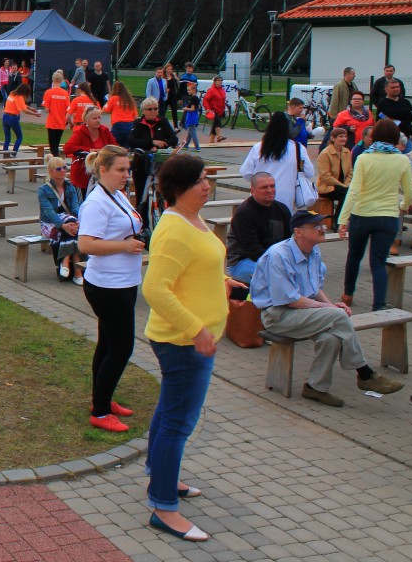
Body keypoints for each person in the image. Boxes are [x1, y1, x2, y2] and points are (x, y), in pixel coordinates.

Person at [141, 153, 241, 543]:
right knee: (179, 423)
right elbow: (154, 288)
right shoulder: (173, 228)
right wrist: (196, 329)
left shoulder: (191, 219)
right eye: (200, 180)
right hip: (183, 342)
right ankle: (164, 507)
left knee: (169, 411)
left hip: (192, 338)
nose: (207, 185)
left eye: (207, 179)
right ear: (180, 187)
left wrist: (224, 284)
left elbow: (201, 267)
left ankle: (160, 472)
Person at [251, 210, 404, 407]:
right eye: (316, 226)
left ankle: (316, 388)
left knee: (331, 337)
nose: (323, 229)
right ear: (298, 231)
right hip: (278, 316)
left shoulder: (313, 251)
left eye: (322, 225)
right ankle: (365, 373)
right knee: (338, 316)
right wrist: (330, 309)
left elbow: (315, 290)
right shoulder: (278, 255)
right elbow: (290, 300)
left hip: (300, 311)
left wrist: (330, 305)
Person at [78, 146, 145, 432]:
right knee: (121, 347)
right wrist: (124, 245)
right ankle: (101, 411)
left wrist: (131, 238)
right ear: (102, 169)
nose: (126, 175)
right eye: (120, 169)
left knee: (107, 344)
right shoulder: (96, 203)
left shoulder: (116, 194)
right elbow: (86, 244)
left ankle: (101, 400)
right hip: (107, 285)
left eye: (128, 169)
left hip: (124, 281)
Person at [337, 119, 412, 310]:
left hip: (361, 215)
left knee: (354, 256)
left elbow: (354, 191)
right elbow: (409, 193)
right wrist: (402, 205)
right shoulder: (402, 159)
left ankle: (348, 294)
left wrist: (343, 219)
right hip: (388, 216)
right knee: (378, 263)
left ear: (374, 137)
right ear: (395, 138)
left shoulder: (364, 158)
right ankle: (378, 305)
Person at [224, 173, 291, 283]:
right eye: (264, 187)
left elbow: (287, 242)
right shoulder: (244, 213)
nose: (270, 190)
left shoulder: (282, 209)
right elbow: (252, 250)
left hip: (274, 259)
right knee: (279, 276)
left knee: (312, 269)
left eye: (272, 186)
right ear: (252, 191)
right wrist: (280, 263)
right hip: (243, 261)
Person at [239, 112, 308, 213]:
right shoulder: (298, 148)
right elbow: (309, 172)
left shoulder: (259, 147)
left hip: (259, 198)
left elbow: (246, 172)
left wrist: (260, 182)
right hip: (286, 198)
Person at [127, 97, 177, 220]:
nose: (153, 111)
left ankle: (165, 217)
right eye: (149, 109)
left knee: (164, 192)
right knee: (141, 195)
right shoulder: (138, 124)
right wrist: (151, 143)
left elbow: (173, 139)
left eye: (155, 109)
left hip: (160, 163)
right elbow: (132, 141)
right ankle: (143, 224)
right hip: (141, 164)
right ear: (143, 111)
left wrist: (162, 143)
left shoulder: (163, 122)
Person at [38, 156, 83, 284]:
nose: (63, 170)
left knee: (72, 222)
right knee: (70, 225)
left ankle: (65, 261)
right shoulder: (43, 190)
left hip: (68, 220)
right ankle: (77, 271)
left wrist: (79, 219)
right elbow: (49, 212)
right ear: (51, 171)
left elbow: (75, 206)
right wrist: (62, 225)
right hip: (49, 223)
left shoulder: (70, 187)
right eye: (59, 168)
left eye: (65, 167)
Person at [64, 107, 113, 196]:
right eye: (94, 118)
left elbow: (115, 146)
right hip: (83, 174)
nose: (98, 120)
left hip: (102, 174)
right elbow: (67, 148)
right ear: (86, 120)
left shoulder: (104, 130)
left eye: (99, 118)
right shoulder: (80, 133)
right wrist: (88, 150)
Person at [316, 128, 353, 220]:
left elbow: (350, 172)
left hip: (343, 186)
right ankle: (337, 220)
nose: (344, 138)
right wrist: (342, 185)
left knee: (352, 192)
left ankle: (344, 219)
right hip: (327, 187)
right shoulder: (325, 154)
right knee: (347, 193)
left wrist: (346, 184)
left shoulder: (347, 152)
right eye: (341, 136)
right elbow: (325, 176)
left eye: (345, 136)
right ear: (333, 138)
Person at [0, 83, 37, 154]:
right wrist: (35, 114)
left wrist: (31, 108)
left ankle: (5, 156)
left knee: (7, 138)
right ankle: (13, 154)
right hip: (12, 117)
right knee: (19, 137)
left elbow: (20, 104)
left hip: (5, 116)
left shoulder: (12, 94)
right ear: (24, 92)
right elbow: (25, 110)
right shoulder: (19, 97)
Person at [42, 71, 70, 156]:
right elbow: (68, 109)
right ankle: (56, 161)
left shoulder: (48, 92)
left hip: (52, 122)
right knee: (57, 144)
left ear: (53, 80)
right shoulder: (65, 94)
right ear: (61, 81)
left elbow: (46, 109)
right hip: (61, 122)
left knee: (53, 146)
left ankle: (56, 163)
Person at [104, 81, 138, 146]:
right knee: (127, 146)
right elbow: (135, 116)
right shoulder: (130, 100)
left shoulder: (113, 99)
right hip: (130, 125)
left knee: (113, 145)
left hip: (118, 125)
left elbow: (105, 110)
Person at [201, 76, 228, 144]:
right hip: (212, 110)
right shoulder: (211, 90)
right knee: (218, 122)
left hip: (220, 110)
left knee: (215, 125)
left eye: (221, 80)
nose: (220, 82)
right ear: (214, 82)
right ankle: (219, 136)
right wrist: (207, 108)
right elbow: (205, 100)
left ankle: (211, 140)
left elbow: (222, 100)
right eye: (218, 80)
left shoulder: (222, 90)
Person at [180, 80, 202, 151]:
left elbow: (192, 109)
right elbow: (198, 107)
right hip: (194, 115)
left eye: (189, 90)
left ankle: (197, 146)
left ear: (194, 90)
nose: (188, 91)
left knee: (192, 132)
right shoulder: (196, 98)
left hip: (191, 116)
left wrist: (186, 108)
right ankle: (186, 145)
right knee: (190, 132)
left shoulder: (193, 98)